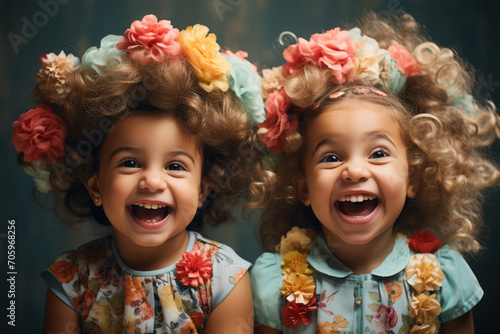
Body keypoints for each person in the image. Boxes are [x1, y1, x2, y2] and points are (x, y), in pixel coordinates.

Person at [12, 14, 264, 333]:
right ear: (95, 185)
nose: (152, 181)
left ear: (203, 189)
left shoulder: (225, 280)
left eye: (175, 166)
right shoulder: (72, 280)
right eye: (130, 163)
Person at [251, 12, 500, 334]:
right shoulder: (275, 281)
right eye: (331, 157)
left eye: (379, 153)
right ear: (303, 188)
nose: (354, 170)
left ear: (413, 177)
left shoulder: (445, 277)